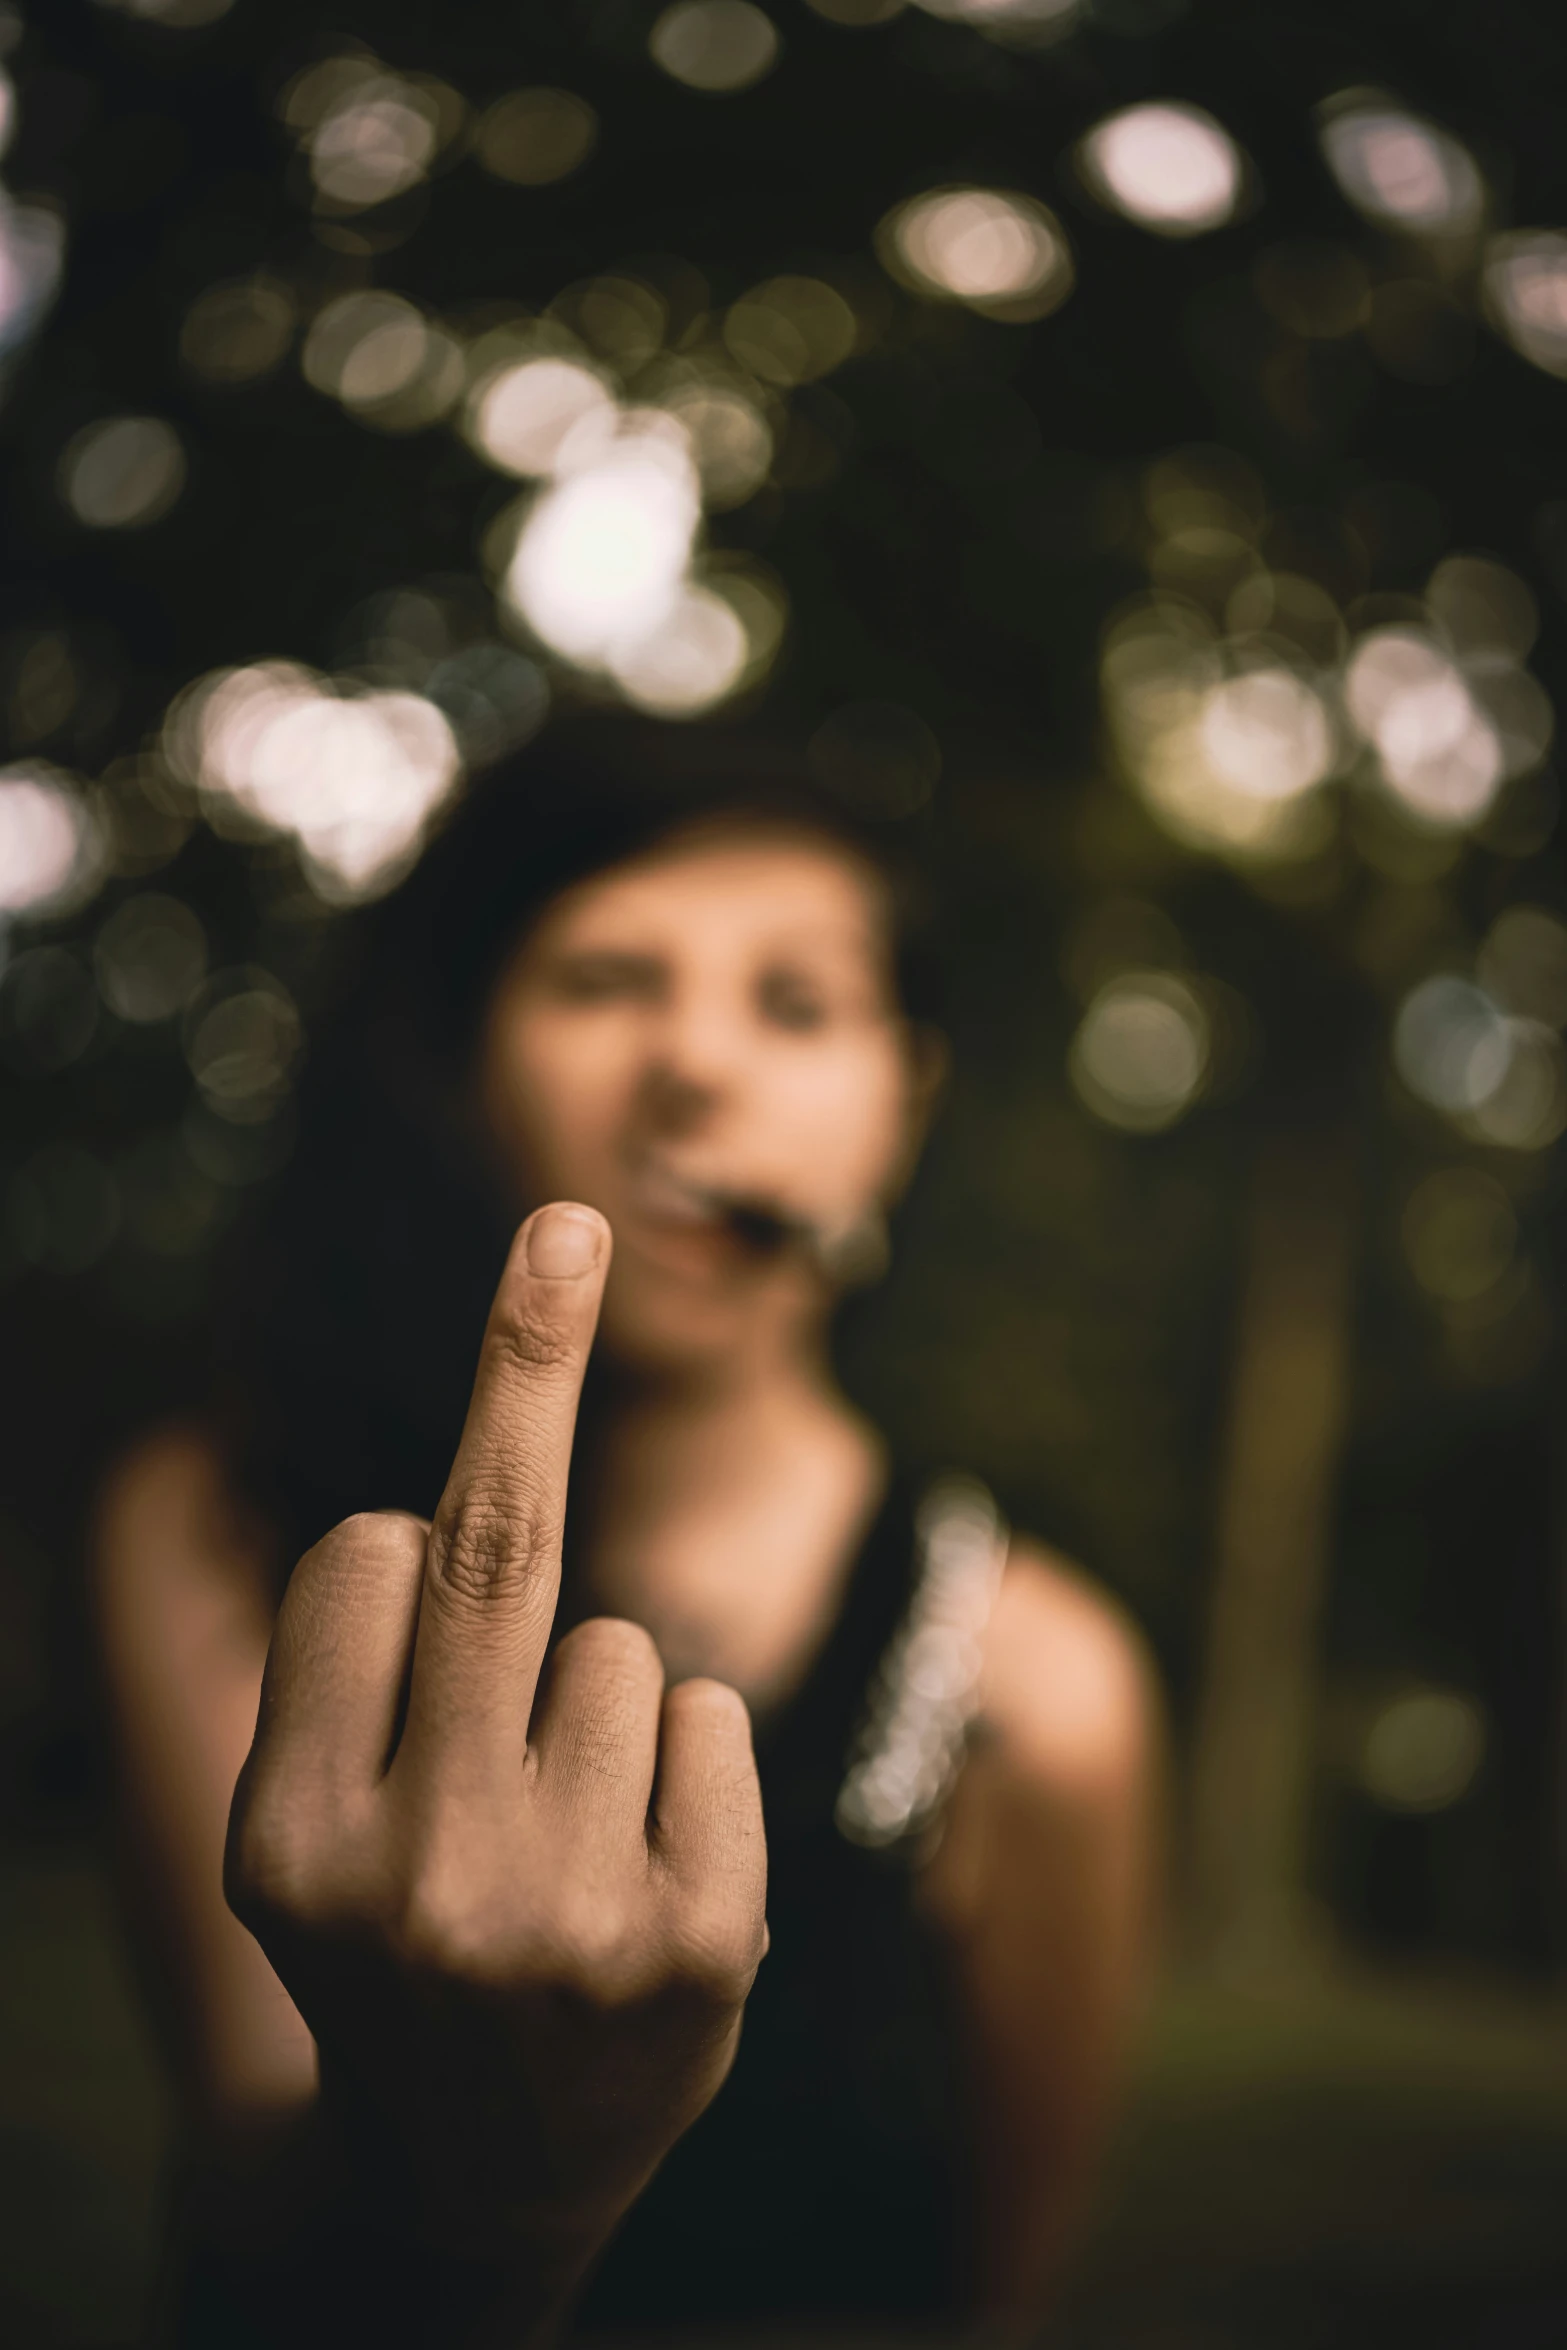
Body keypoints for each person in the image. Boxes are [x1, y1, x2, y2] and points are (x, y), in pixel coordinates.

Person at [92, 723, 1160, 2346]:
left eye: (794, 1003)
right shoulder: (223, 1523)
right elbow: (252, 2167)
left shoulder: (1055, 1701)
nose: (693, 1064)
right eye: (601, 979)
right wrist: (492, 2193)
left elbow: (994, 2299)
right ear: (470, 1059)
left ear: (905, 1102)